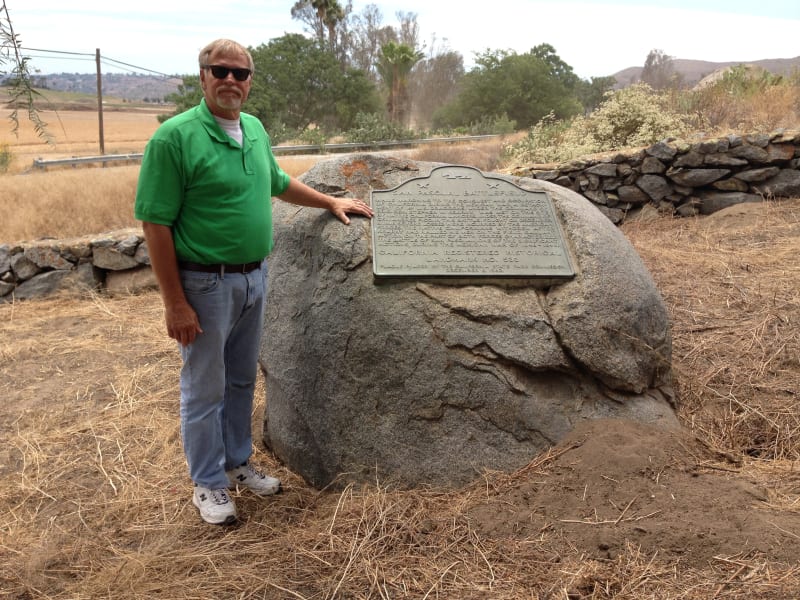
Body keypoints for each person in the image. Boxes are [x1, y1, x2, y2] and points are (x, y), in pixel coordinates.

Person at [134, 38, 373, 525]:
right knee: (205, 387)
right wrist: (173, 303)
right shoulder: (174, 139)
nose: (230, 80)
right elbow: (155, 224)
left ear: (249, 82)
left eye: (239, 74)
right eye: (219, 71)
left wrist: (329, 201)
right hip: (204, 285)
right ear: (203, 76)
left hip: (254, 279)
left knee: (242, 379)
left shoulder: (254, 130)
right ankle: (208, 482)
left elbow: (278, 182)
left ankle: (237, 461)